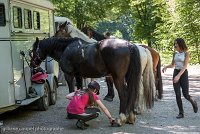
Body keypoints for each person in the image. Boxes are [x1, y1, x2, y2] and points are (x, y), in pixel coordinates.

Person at [162, 38, 198, 119]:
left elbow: (185, 66)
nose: (175, 45)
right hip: (176, 72)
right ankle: (181, 113)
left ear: (181, 44)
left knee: (185, 95)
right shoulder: (175, 53)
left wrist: (178, 76)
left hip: (183, 74)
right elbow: (173, 65)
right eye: (174, 44)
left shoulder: (186, 53)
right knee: (177, 94)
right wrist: (166, 67)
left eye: (176, 44)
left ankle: (193, 102)